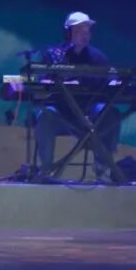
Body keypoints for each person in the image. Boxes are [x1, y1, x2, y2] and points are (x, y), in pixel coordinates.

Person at [34, 11, 123, 183]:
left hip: (90, 114)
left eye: (87, 31)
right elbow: (42, 83)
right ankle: (46, 170)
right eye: (79, 31)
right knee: (46, 115)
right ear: (68, 33)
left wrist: (115, 81)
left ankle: (103, 169)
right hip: (61, 114)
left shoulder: (98, 57)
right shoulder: (53, 55)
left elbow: (111, 80)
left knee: (110, 113)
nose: (84, 35)